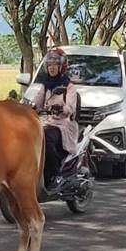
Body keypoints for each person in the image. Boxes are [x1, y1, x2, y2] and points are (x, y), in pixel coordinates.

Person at [33, 48, 79, 190]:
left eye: (55, 64)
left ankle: (56, 174)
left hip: (64, 125)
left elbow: (70, 108)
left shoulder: (69, 87)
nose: (52, 67)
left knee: (46, 137)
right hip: (48, 122)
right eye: (50, 64)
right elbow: (37, 102)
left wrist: (61, 108)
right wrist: (27, 107)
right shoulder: (45, 85)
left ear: (62, 66)